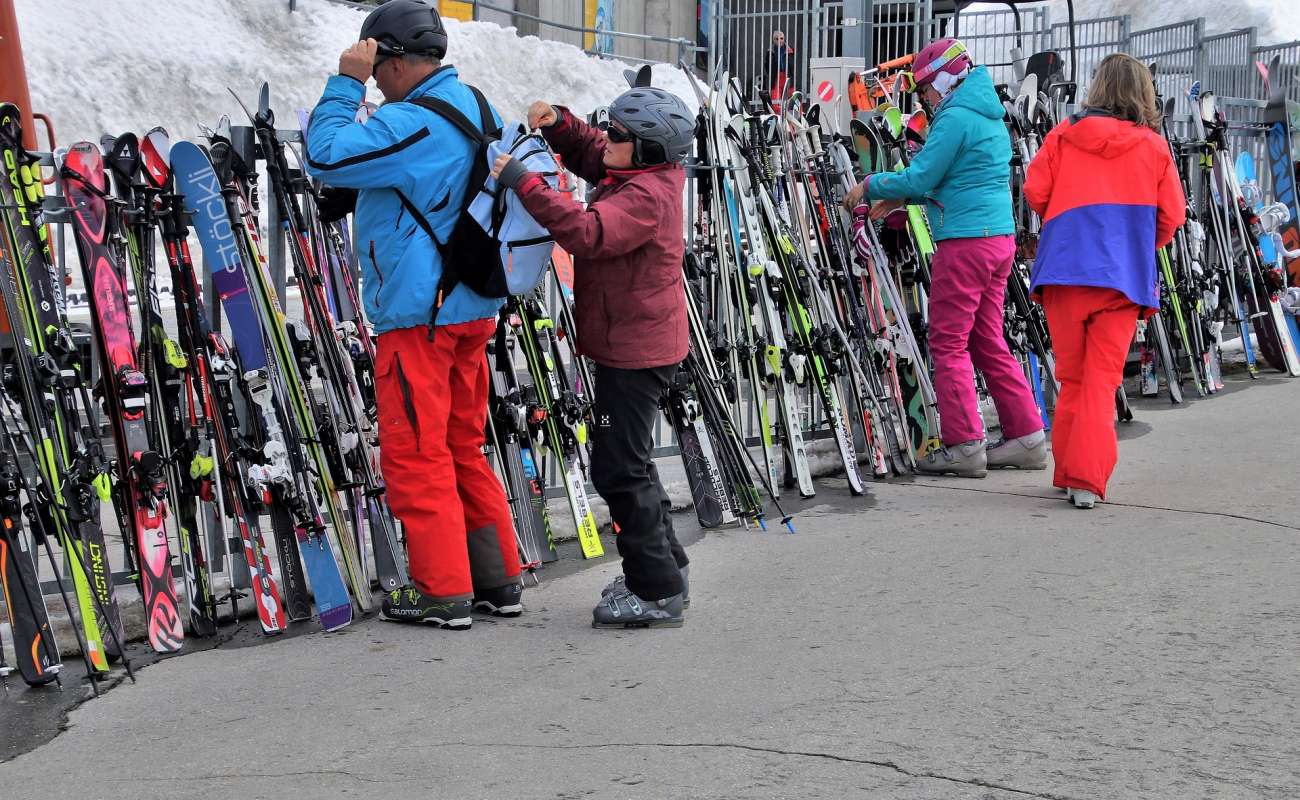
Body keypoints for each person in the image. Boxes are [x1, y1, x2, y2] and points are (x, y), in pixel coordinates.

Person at [304, 0, 524, 628]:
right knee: (461, 446)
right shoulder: (476, 106)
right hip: (471, 304)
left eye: (378, 71)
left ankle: (441, 590)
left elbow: (325, 153)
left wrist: (344, 83)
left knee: (416, 451)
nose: (376, 84)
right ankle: (497, 580)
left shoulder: (413, 120)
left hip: (419, 314)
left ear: (396, 63)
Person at [489, 79, 695, 628]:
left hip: (636, 351)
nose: (606, 138)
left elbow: (586, 231)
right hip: (633, 342)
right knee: (630, 462)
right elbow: (593, 153)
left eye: (618, 134)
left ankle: (655, 590)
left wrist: (525, 183)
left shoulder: (646, 197)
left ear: (647, 149)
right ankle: (665, 570)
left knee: (618, 470)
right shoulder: (635, 171)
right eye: (608, 126)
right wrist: (560, 124)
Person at [843, 38, 1046, 477]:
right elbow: (957, 179)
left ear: (944, 80)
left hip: (965, 242)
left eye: (924, 89)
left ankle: (964, 445)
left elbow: (923, 175)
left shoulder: (954, 117)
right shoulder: (987, 112)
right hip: (997, 238)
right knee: (986, 338)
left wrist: (870, 185)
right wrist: (903, 199)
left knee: (948, 341)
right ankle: (1027, 436)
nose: (924, 100)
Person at [1023, 53, 1186, 508]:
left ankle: (1067, 471)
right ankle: (1086, 480)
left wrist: (1069, 220)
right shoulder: (1154, 147)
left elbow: (1035, 191)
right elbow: (1172, 217)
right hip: (1121, 278)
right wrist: (1134, 242)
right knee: (1100, 380)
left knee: (1072, 376)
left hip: (1064, 271)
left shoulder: (1063, 135)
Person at [764, 30, 795, 112]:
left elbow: (793, 64)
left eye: (781, 38)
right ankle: (778, 117)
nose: (779, 41)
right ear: (773, 40)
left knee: (793, 99)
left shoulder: (791, 50)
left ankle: (792, 118)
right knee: (775, 101)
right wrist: (772, 74)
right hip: (776, 78)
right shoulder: (770, 52)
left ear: (784, 39)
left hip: (787, 76)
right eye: (777, 39)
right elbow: (767, 65)